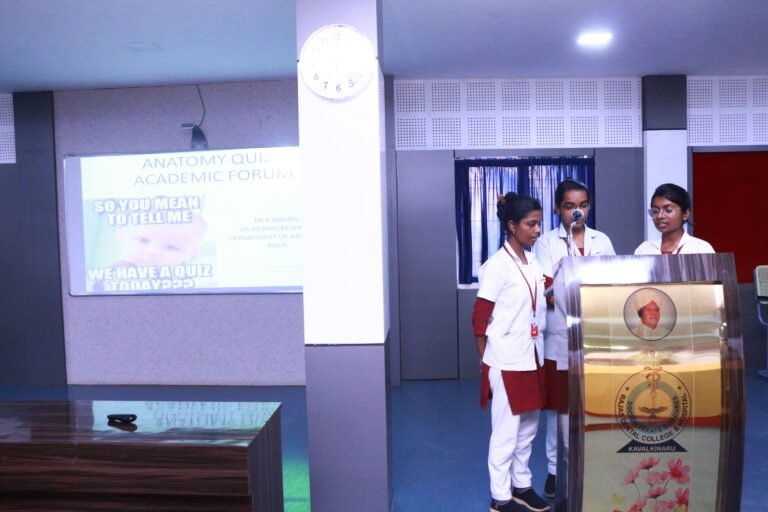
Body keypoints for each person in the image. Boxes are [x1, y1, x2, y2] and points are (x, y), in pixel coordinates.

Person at [532, 178, 615, 499]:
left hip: (595, 336)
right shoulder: (546, 243)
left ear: (589, 207)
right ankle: (556, 471)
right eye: (569, 206)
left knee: (594, 405)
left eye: (582, 205)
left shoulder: (601, 240)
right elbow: (546, 291)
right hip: (559, 339)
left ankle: (590, 466)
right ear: (558, 209)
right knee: (560, 409)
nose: (576, 212)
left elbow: (613, 285)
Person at [472, 192, 551, 512]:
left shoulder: (533, 262)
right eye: (531, 224)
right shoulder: (496, 266)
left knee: (529, 428)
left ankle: (522, 486)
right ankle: (500, 497)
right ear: (512, 225)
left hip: (533, 356)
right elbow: (479, 319)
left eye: (539, 224)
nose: (537, 230)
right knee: (506, 432)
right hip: (506, 360)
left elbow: (548, 293)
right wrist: (486, 363)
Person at [634, 183, 714, 255]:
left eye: (668, 210)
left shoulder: (700, 249)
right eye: (655, 211)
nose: (660, 216)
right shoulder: (644, 250)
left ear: (685, 214)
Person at [113, 212, 208, 268]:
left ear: (191, 252)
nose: (152, 251)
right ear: (121, 236)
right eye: (143, 240)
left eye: (171, 247)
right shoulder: (116, 274)